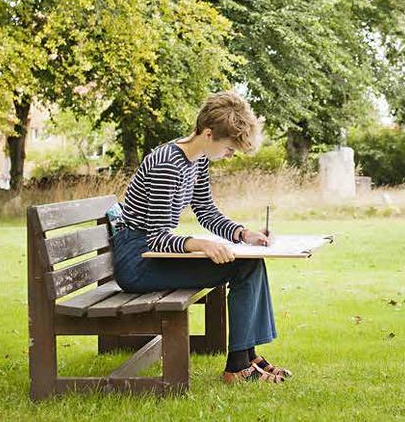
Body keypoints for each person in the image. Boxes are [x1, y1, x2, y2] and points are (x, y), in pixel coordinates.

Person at [110, 91, 289, 384]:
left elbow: (205, 210)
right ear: (208, 133)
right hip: (138, 262)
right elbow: (156, 238)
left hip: (153, 254)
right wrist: (201, 244)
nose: (230, 156)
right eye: (230, 149)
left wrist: (243, 234)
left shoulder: (197, 160)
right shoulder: (167, 164)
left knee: (250, 262)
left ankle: (247, 358)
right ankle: (238, 367)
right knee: (243, 267)